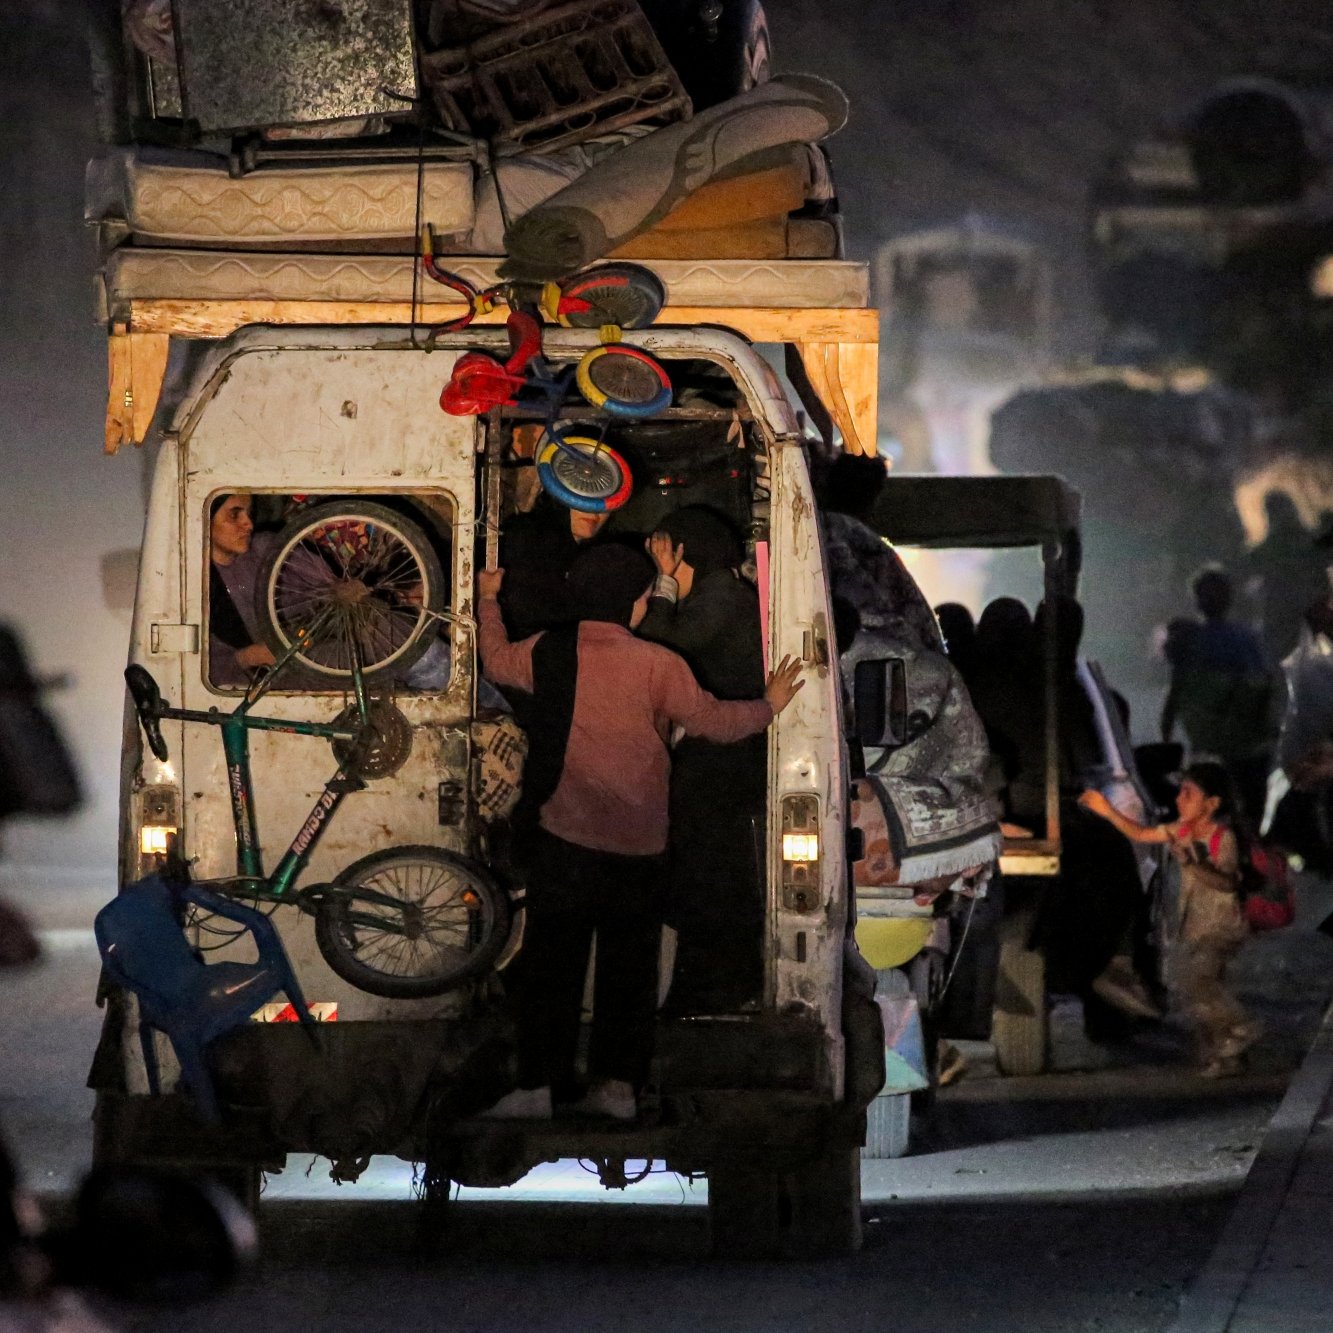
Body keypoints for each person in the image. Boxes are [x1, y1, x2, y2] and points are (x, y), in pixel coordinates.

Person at [476, 544, 804, 1122]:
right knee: (628, 971)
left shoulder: (548, 650)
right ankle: (618, 1090)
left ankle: (535, 1088)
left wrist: (487, 598)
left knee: (553, 967)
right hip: (639, 846)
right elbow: (713, 722)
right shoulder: (657, 664)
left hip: (561, 837)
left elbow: (496, 661)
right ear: (634, 604)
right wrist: (769, 705)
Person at [640, 506, 767, 1012]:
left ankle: (711, 989)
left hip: (724, 756)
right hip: (722, 751)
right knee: (710, 873)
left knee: (708, 874)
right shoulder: (724, 595)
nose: (660, 561)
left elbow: (658, 645)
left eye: (667, 552)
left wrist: (663, 584)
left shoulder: (720, 596)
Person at [1079, 762, 1260, 1078]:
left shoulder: (1223, 837)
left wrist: (1191, 863)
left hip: (1221, 926)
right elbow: (1141, 832)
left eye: (1188, 794)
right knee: (1193, 992)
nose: (1179, 800)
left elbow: (1227, 883)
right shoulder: (1181, 831)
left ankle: (1241, 1027)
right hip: (1193, 925)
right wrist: (1106, 810)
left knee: (1199, 981)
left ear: (1212, 804)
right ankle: (1221, 1056)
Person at [1161, 565, 1275, 823]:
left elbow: (1175, 696)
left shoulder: (1194, 641)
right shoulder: (1241, 638)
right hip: (1235, 749)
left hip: (1232, 748)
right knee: (1242, 814)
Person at [208, 494, 279, 687]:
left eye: (249, 514)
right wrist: (247, 657)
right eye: (234, 515)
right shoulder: (191, 585)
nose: (248, 524)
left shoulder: (265, 550)